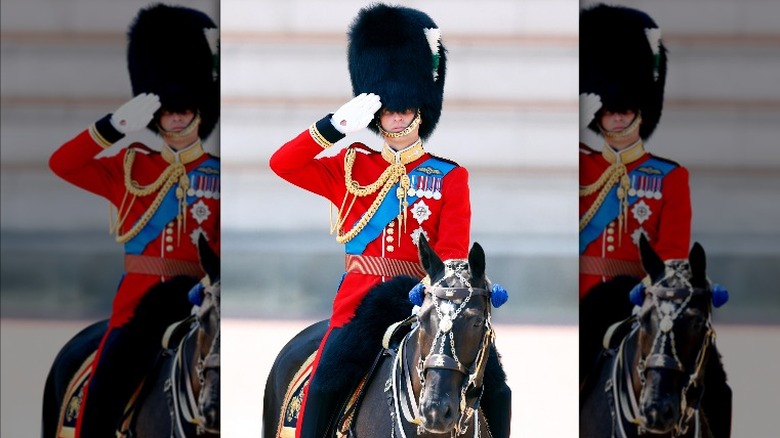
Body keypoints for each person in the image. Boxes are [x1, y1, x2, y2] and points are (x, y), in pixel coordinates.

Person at [269, 4, 511, 438]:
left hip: (426, 303)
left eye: (404, 108)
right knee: (323, 385)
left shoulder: (450, 176)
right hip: (359, 304)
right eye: (387, 108)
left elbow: (453, 254)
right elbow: (282, 163)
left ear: (421, 108)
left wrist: (441, 297)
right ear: (375, 113)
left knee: (497, 388)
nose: (396, 116)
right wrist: (334, 126)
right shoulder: (351, 165)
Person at [48, 4, 220, 437]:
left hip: (200, 300)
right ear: (155, 116)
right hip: (139, 303)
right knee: (105, 387)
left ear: (201, 110)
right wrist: (112, 128)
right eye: (168, 110)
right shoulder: (131, 166)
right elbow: (62, 164)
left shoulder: (220, 174)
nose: (177, 116)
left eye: (185, 108)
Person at [578, 4, 731, 436]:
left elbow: (672, 253)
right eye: (610, 109)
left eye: (626, 107)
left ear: (642, 110)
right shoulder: (580, 168)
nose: (618, 115)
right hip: (583, 300)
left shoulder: (669, 177)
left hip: (643, 297)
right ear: (599, 113)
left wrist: (652, 293)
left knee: (716, 384)